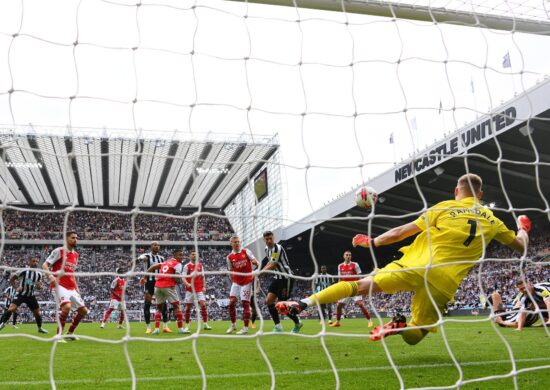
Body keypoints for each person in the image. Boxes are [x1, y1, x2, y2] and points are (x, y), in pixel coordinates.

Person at [277, 173, 530, 345]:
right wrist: (523, 228)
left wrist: (373, 241)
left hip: (417, 265)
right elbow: (520, 247)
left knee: (361, 285)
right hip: (444, 282)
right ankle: (400, 326)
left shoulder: (444, 207)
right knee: (416, 335)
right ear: (481, 193)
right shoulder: (492, 219)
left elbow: (401, 232)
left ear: (456, 191)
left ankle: (303, 302)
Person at [42, 231, 89, 341]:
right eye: (73, 238)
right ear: (67, 239)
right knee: (66, 307)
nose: (75, 240)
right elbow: (45, 265)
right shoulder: (59, 251)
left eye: (76, 238)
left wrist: (76, 287)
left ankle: (70, 333)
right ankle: (58, 335)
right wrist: (50, 276)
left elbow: (71, 272)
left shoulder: (76, 255)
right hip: (59, 285)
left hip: (71, 287)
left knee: (84, 311)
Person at [260, 231, 302, 333]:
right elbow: (269, 263)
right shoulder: (266, 249)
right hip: (277, 277)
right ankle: (278, 326)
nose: (269, 241)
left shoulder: (277, 248)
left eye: (271, 238)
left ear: (274, 238)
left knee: (282, 305)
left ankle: (298, 323)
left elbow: (273, 265)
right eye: (267, 239)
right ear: (264, 240)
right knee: (269, 301)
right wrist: (260, 271)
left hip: (286, 278)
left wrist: (260, 273)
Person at [141, 248, 188, 335]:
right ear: (174, 255)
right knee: (177, 306)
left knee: (159, 308)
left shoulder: (166, 262)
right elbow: (176, 278)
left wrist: (144, 277)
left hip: (158, 286)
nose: (182, 257)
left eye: (182, 255)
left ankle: (156, 329)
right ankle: (181, 329)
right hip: (168, 286)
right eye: (180, 255)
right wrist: (181, 280)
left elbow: (153, 267)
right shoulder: (178, 264)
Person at [0, 257, 47, 333]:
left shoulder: (39, 274)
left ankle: (40, 328)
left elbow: (38, 285)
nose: (35, 263)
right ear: (29, 262)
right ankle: (2, 324)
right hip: (21, 295)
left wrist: (39, 287)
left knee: (37, 313)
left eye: (36, 261)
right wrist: (16, 288)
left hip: (31, 296)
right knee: (11, 308)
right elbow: (12, 279)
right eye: (33, 261)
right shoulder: (24, 271)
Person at [329, 251, 373, 328]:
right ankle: (338, 322)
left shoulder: (355, 264)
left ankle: (370, 321)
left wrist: (361, 286)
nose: (348, 256)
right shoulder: (340, 266)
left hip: (355, 287)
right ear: (344, 256)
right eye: (347, 255)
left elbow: (360, 276)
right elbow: (340, 279)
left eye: (349, 255)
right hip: (345, 288)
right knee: (339, 306)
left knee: (360, 304)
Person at [226, 235, 259, 335]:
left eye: (238, 242)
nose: (237, 243)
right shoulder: (229, 257)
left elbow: (256, 262)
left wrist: (255, 262)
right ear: (231, 243)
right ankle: (233, 325)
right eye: (235, 242)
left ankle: (245, 328)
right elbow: (230, 271)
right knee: (231, 303)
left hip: (247, 282)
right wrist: (233, 281)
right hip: (236, 283)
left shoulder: (246, 251)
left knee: (245, 304)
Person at [138, 242, 169, 334]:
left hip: (160, 282)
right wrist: (141, 259)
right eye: (155, 245)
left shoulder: (162, 258)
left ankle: (165, 326)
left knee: (164, 304)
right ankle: (148, 327)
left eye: (158, 245)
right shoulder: (146, 255)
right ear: (151, 246)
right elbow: (138, 259)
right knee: (147, 303)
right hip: (149, 282)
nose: (157, 246)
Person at [182, 250, 212, 333]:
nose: (194, 256)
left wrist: (204, 287)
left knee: (203, 305)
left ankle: (206, 324)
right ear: (189, 256)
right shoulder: (187, 266)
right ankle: (187, 326)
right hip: (190, 290)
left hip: (199, 289)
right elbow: (183, 277)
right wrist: (187, 283)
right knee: (188, 307)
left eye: (196, 254)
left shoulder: (200, 266)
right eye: (192, 254)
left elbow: (203, 277)